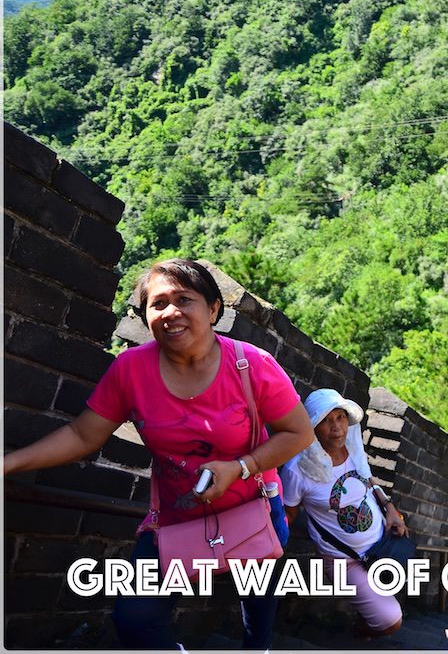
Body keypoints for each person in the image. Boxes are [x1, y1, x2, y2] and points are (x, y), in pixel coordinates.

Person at [4, 258, 314, 649]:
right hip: (175, 516)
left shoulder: (251, 364)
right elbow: (83, 434)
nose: (171, 312)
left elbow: (299, 433)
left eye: (184, 300)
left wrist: (241, 467)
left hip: (251, 506)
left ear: (214, 308)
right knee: (135, 617)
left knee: (256, 596)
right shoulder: (131, 369)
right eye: (158, 303)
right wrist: (8, 464)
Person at [280, 389, 408, 637]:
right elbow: (289, 514)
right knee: (390, 622)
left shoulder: (352, 447)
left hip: (381, 547)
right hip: (344, 561)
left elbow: (367, 479)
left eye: (340, 418)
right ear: (313, 426)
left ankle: (367, 613)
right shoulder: (299, 469)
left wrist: (390, 508)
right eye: (327, 420)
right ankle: (356, 634)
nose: (336, 427)